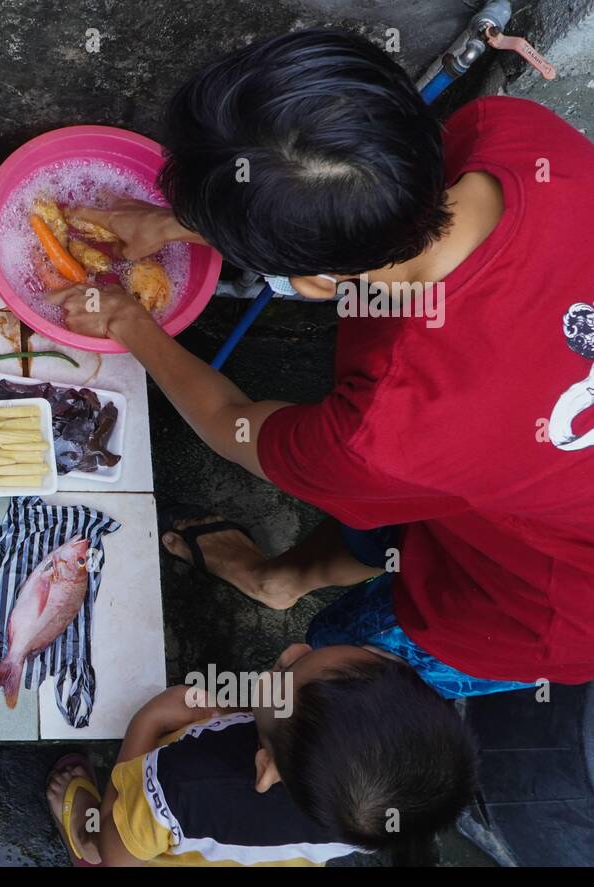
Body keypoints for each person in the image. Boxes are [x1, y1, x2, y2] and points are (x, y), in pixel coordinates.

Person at [49, 28, 594, 696]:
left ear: (309, 285)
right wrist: (173, 224)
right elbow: (358, 202)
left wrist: (129, 322)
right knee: (393, 500)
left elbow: (234, 422)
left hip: (548, 603)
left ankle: (285, 626)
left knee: (336, 661)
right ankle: (277, 580)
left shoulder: (385, 430)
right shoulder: (517, 136)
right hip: (519, 468)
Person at [46, 643, 478, 866]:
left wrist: (149, 723)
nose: (293, 649)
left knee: (111, 838)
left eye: (285, 672)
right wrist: (238, 714)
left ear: (265, 767)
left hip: (152, 841)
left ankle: (85, 842)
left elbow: (124, 854)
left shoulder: (186, 781)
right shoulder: (374, 811)